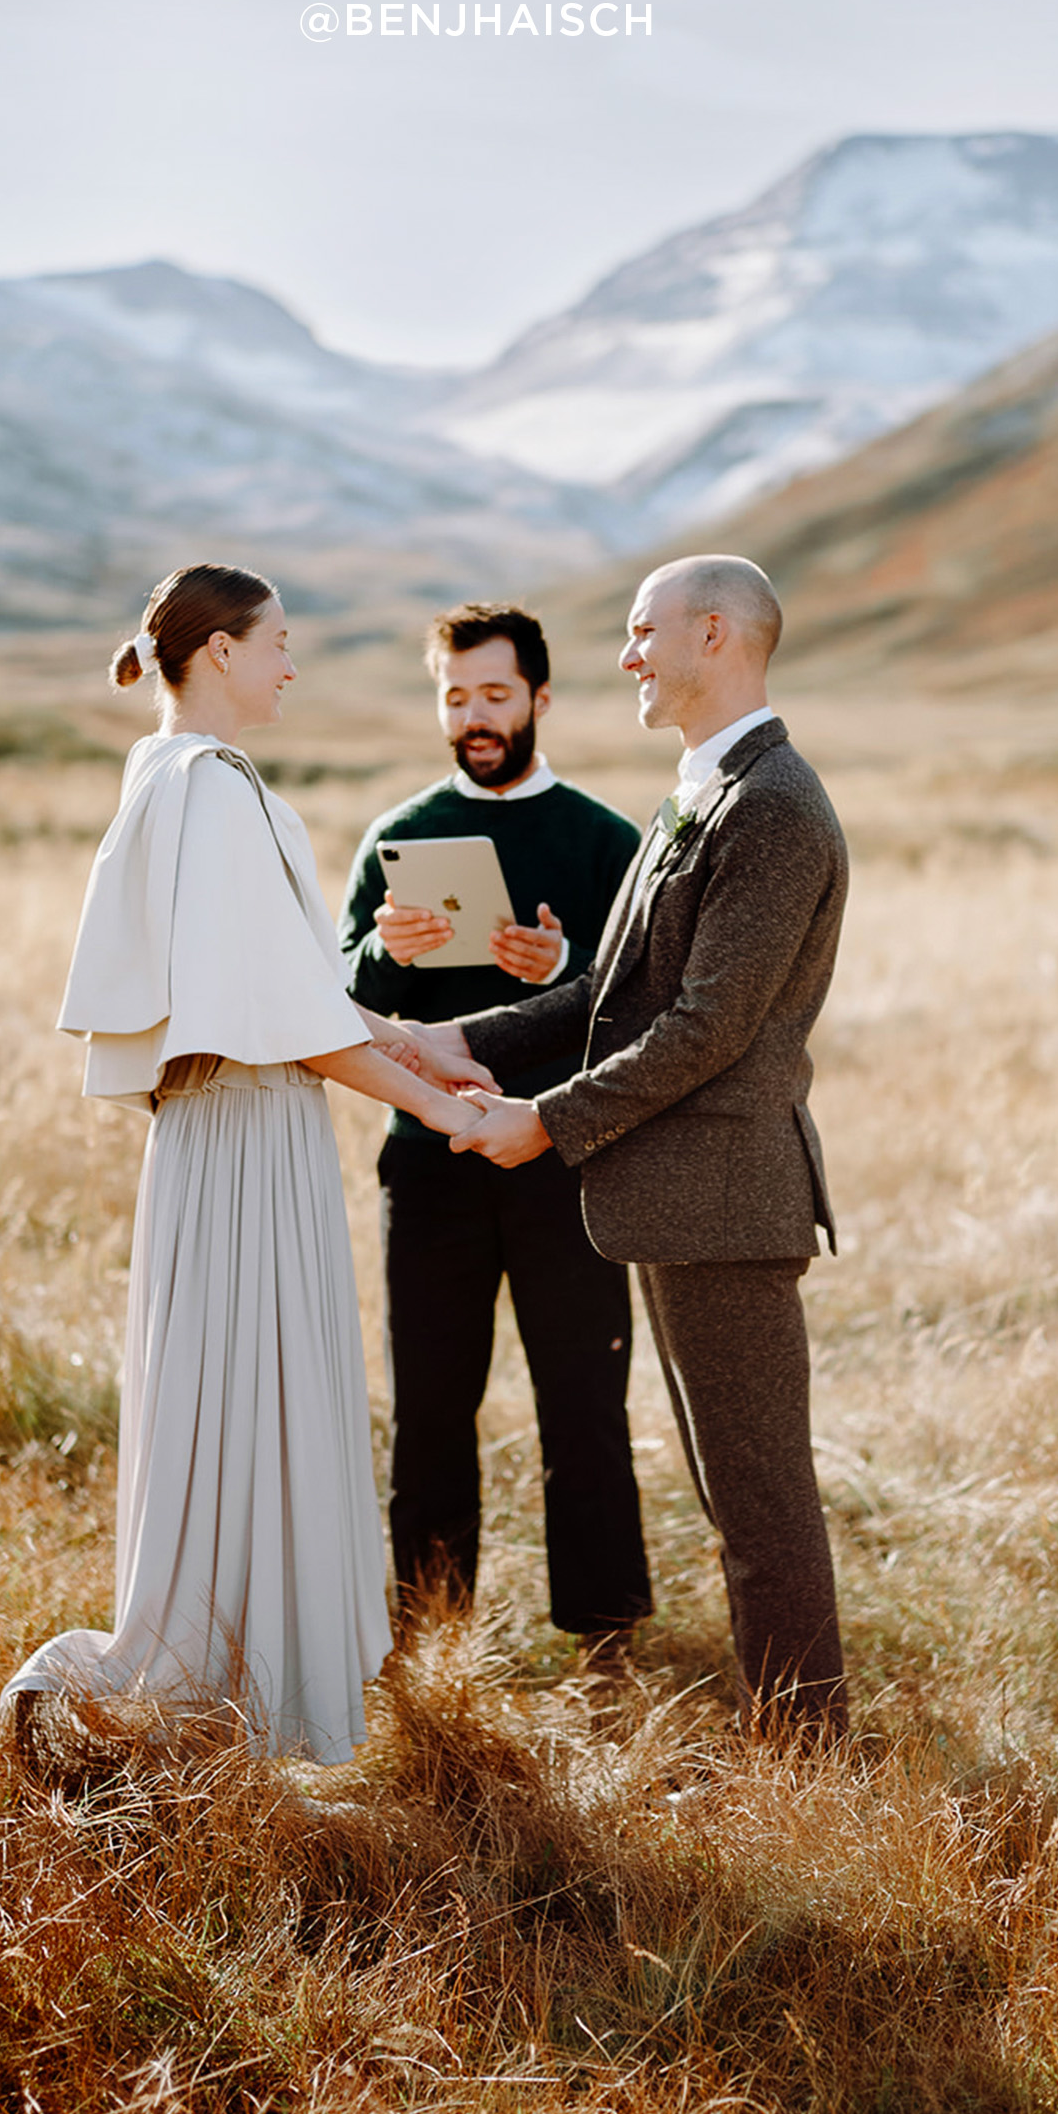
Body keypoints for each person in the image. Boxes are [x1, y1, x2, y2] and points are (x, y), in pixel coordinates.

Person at [1, 562, 488, 1767]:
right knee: (252, 1387)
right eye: (277, 640)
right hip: (245, 1134)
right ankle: (225, 1682)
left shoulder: (172, 776)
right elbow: (296, 1025)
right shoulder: (210, 794)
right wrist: (439, 1106)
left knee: (245, 1390)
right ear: (217, 649)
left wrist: (417, 1043)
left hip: (231, 1131)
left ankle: (241, 1675)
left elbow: (299, 991)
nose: (289, 661)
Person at [413, 557, 850, 1743]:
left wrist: (545, 1122)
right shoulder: (698, 790)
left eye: (642, 631)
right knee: (730, 1496)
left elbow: (705, 1027)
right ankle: (790, 1738)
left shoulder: (774, 806)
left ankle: (804, 1758)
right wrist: (443, 1035)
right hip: (674, 1199)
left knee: (758, 1504)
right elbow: (611, 994)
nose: (626, 657)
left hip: (727, 1204)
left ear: (715, 635)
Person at [338, 604, 652, 1647]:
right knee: (430, 1410)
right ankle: (431, 1635)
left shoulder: (608, 840)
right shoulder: (397, 836)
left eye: (495, 694)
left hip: (564, 1157)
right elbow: (336, 1000)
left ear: (540, 699)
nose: (474, 716)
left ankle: (605, 1633)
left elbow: (646, 1001)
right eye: (455, 695)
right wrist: (385, 954)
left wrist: (559, 972)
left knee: (583, 1404)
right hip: (426, 1167)